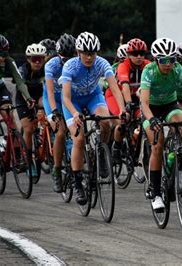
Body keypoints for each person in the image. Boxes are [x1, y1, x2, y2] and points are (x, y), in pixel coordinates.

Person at [140, 37, 182, 210]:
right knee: (157, 142)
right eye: (164, 60)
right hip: (151, 109)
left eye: (172, 59)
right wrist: (152, 119)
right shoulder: (149, 70)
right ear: (156, 59)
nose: (168, 64)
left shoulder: (178, 69)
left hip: (170, 105)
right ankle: (155, 193)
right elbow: (144, 103)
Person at [60, 31, 127, 205]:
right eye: (85, 53)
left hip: (92, 97)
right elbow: (65, 97)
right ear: (78, 52)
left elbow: (114, 88)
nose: (89, 57)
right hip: (72, 101)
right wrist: (74, 113)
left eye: (93, 53)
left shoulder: (102, 63)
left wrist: (121, 109)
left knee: (106, 122)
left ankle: (102, 154)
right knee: (79, 139)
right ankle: (77, 183)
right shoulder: (70, 66)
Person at [42, 33, 75, 192]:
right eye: (64, 58)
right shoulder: (51, 65)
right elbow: (49, 91)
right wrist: (55, 111)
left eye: (71, 57)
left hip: (68, 96)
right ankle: (56, 170)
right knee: (61, 131)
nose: (68, 61)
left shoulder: (78, 63)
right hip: (53, 97)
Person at [107, 38, 150, 161]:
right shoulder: (123, 66)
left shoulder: (147, 65)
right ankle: (117, 147)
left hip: (136, 96)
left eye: (142, 53)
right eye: (135, 54)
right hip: (116, 96)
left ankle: (136, 143)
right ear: (129, 55)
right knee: (123, 119)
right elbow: (125, 86)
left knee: (144, 118)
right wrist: (128, 104)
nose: (139, 57)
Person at [16, 43, 47, 167]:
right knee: (28, 130)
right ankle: (29, 161)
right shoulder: (22, 71)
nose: (38, 62)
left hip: (39, 96)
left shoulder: (46, 70)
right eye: (34, 59)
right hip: (23, 98)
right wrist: (28, 100)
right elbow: (21, 87)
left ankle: (45, 144)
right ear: (28, 59)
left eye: (41, 59)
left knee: (46, 115)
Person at [0, 34, 28, 162]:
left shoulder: (9, 60)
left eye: (4, 54)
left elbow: (19, 81)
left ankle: (17, 157)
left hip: (0, 89)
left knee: (10, 117)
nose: (2, 58)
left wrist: (27, 98)